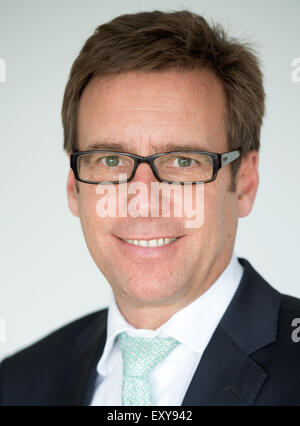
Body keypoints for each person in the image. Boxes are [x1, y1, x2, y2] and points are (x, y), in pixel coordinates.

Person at [1, 10, 300, 406]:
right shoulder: (17, 384)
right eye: (110, 161)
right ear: (74, 186)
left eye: (182, 161)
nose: (143, 200)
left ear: (244, 182)